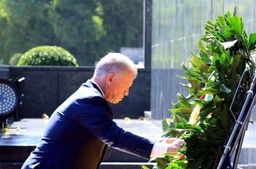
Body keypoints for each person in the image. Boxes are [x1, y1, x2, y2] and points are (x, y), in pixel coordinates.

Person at [21, 52, 184, 169]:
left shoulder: (88, 95)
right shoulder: (90, 100)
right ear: (111, 78)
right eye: (126, 86)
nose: (126, 93)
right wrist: (162, 149)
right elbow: (115, 136)